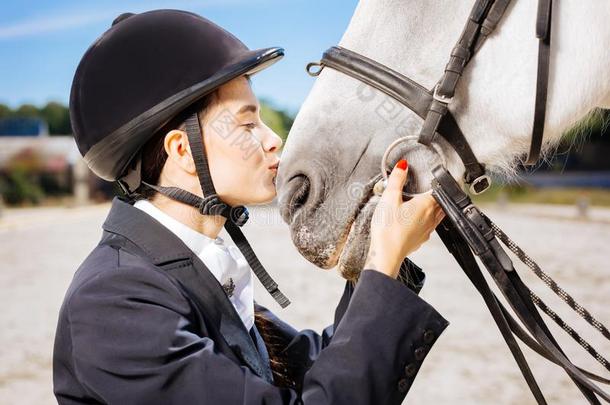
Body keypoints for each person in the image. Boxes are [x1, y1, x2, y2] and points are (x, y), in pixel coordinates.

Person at [53, 9, 448, 404]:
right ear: (182, 151)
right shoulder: (114, 301)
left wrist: (383, 259)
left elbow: (314, 369)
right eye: (247, 125)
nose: (273, 139)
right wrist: (383, 262)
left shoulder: (189, 265)